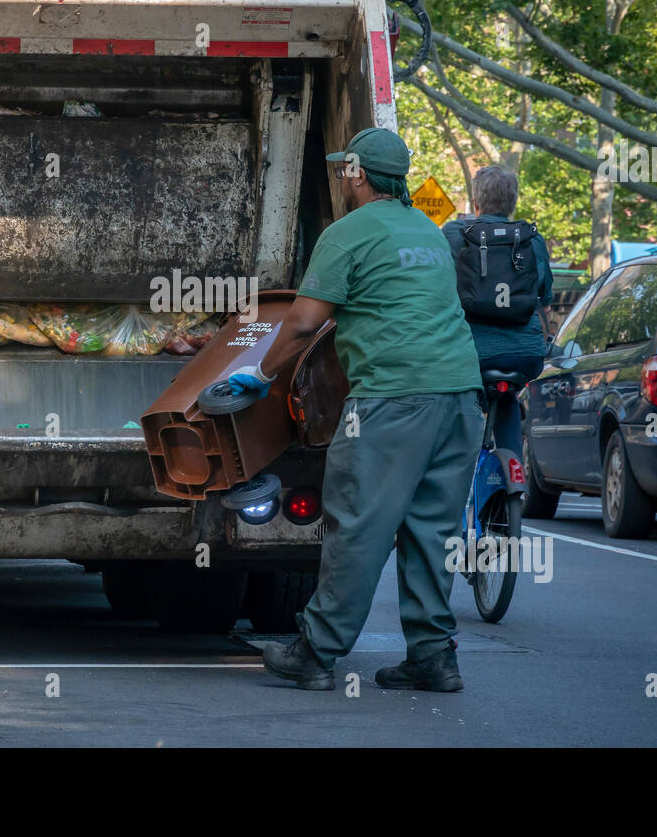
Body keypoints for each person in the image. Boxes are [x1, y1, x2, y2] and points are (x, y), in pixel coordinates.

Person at [228, 127, 484, 692]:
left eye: (346, 168)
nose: (343, 176)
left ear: (359, 174)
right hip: (462, 399)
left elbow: (301, 321)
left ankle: (315, 652)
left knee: (358, 525)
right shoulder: (430, 232)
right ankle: (434, 657)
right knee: (431, 530)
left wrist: (258, 374)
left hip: (392, 401)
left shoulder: (348, 233)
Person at [442, 165, 553, 454]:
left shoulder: (456, 233)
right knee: (507, 402)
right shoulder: (531, 239)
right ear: (513, 203)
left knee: (456, 405)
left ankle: (462, 479)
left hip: (471, 353)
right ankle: (514, 480)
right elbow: (545, 299)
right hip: (525, 355)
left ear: (475, 202)